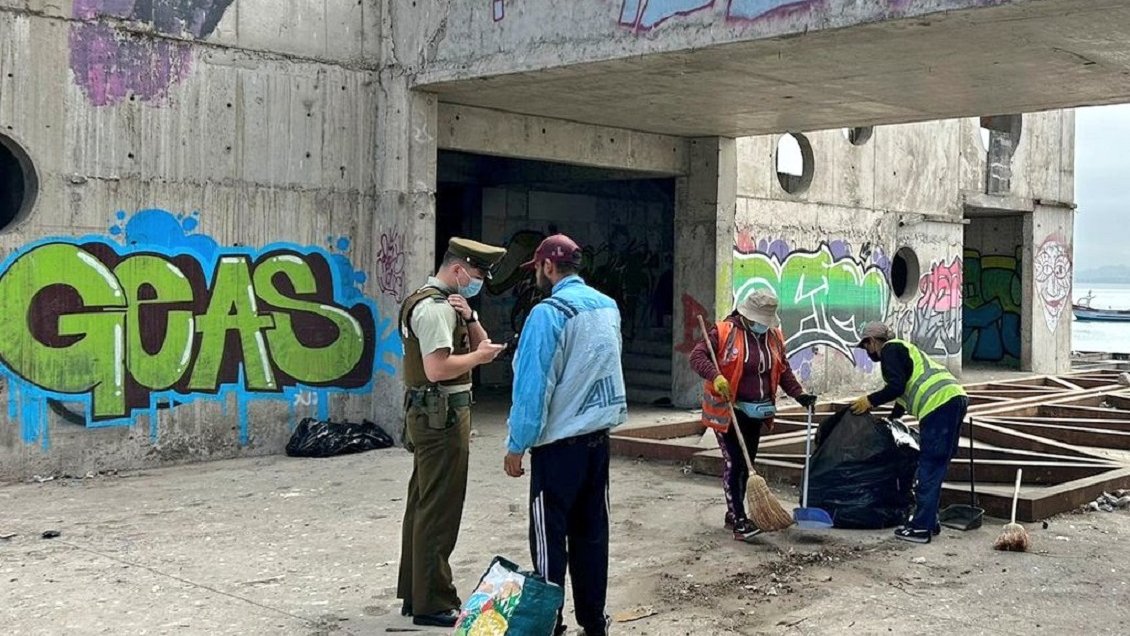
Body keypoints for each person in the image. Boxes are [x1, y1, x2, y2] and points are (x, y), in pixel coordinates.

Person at [503, 234, 627, 636]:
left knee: (549, 539)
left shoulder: (547, 313)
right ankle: (594, 622)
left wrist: (517, 445)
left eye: (537, 267)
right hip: (598, 445)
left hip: (557, 450)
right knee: (592, 536)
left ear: (548, 267)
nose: (537, 275)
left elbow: (533, 387)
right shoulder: (607, 307)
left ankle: (549, 623)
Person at [396, 237, 508, 628]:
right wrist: (478, 358)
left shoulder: (444, 304)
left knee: (425, 502)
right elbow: (437, 368)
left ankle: (417, 594)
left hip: (438, 412)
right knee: (439, 508)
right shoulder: (433, 310)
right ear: (459, 269)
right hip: (440, 414)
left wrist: (473, 318)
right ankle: (434, 602)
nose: (479, 280)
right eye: (477, 273)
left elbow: (486, 345)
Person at [690, 290, 817, 541]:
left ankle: (733, 511)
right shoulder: (724, 332)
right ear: (747, 315)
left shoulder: (773, 336)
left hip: (757, 411)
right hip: (729, 411)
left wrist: (799, 395)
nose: (763, 326)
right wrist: (716, 377)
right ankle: (738, 519)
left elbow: (782, 371)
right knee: (735, 462)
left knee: (748, 465)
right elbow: (697, 356)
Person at [850, 321, 969, 544]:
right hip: (955, 398)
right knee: (937, 465)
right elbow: (903, 394)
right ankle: (930, 521)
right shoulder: (904, 349)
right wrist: (892, 420)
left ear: (873, 341)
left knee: (929, 465)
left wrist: (870, 401)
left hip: (939, 405)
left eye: (866, 346)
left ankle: (920, 528)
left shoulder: (889, 350)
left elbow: (896, 387)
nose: (867, 351)